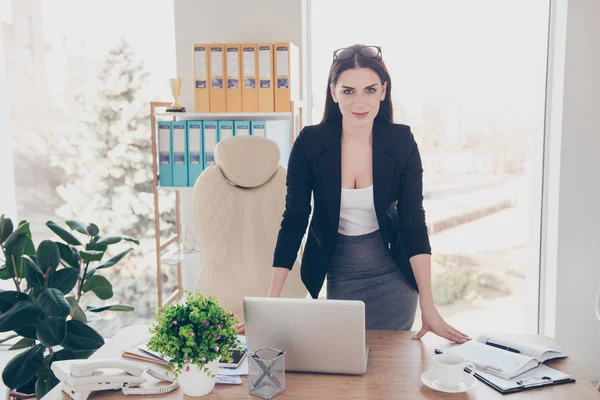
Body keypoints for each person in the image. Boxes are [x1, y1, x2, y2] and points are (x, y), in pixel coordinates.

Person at [237, 44, 470, 344]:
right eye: (348, 91)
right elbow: (294, 219)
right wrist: (270, 300)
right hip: (341, 276)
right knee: (345, 367)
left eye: (370, 90)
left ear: (383, 91)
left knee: (388, 374)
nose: (360, 101)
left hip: (394, 279)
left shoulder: (401, 142)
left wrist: (428, 303)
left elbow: (413, 223)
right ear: (333, 92)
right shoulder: (310, 143)